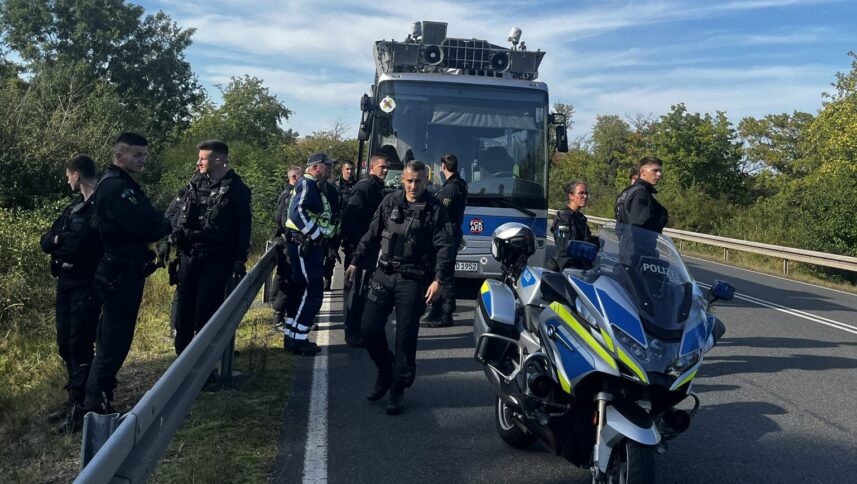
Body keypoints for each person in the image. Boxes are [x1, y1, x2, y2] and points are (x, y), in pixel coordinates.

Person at [344, 160, 456, 415]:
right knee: (368, 329)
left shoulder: (435, 209)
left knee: (405, 338)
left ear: (426, 181)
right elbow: (373, 232)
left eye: (418, 181)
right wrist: (355, 261)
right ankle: (385, 371)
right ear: (402, 180)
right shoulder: (390, 201)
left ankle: (397, 388)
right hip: (384, 273)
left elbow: (445, 248)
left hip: (413, 279)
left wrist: (439, 279)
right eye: (409, 181)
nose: (413, 186)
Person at [81, 132, 171, 418]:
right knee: (113, 341)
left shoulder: (121, 185)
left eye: (144, 155)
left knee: (114, 338)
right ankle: (94, 406)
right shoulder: (117, 188)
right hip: (119, 271)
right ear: (119, 156)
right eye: (136, 155)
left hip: (121, 270)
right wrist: (163, 225)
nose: (142, 160)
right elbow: (149, 226)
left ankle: (100, 396)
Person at [39, 154, 103, 431]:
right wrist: (58, 240)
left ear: (76, 174)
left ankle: (84, 405)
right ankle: (73, 400)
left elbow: (83, 246)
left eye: (68, 175)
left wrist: (60, 241)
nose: (67, 180)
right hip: (64, 281)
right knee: (65, 343)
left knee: (80, 343)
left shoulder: (100, 207)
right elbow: (45, 241)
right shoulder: (72, 209)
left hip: (86, 283)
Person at [171, 140, 252, 356]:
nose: (198, 163)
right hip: (189, 256)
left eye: (202, 158)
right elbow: (173, 214)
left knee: (205, 312)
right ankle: (181, 360)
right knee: (183, 312)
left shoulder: (237, 189)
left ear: (218, 160)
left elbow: (244, 226)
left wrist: (239, 259)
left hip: (217, 259)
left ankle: (204, 365)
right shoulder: (194, 184)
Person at [282, 152, 338, 355]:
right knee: (312, 290)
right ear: (316, 167)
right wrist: (316, 235)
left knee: (300, 289)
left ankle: (292, 335)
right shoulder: (307, 184)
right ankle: (299, 338)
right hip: (304, 245)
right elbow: (297, 212)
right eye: (327, 166)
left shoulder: (314, 185)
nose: (330, 169)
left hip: (305, 245)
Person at [340, 153, 389, 346]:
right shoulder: (365, 188)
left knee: (363, 290)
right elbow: (349, 217)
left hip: (368, 247)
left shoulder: (376, 187)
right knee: (358, 291)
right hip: (359, 247)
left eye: (386, 168)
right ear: (372, 168)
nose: (385, 170)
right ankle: (351, 332)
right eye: (382, 167)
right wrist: (353, 246)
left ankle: (358, 328)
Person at [423, 154, 467, 328]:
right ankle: (436, 309)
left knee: (445, 274)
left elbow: (440, 210)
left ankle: (446, 314)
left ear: (442, 167)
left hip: (447, 234)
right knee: (439, 272)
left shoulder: (450, 189)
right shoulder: (460, 184)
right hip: (452, 232)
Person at [271, 165, 303, 331]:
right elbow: (280, 218)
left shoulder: (292, 193)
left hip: (287, 242)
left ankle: (282, 312)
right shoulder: (289, 195)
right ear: (295, 178)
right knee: (286, 278)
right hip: (287, 243)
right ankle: (278, 315)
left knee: (285, 277)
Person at [549, 180, 599, 271]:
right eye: (581, 193)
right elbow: (563, 248)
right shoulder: (563, 219)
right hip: (568, 268)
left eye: (586, 193)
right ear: (571, 196)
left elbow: (586, 240)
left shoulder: (580, 218)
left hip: (582, 267)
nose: (585, 196)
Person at [615, 157, 668, 233]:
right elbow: (639, 227)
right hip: (638, 244)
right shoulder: (641, 194)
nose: (659, 174)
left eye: (660, 171)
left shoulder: (628, 191)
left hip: (625, 241)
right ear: (642, 171)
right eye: (655, 171)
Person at [320, 166, 342, 292]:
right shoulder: (312, 187)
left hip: (331, 230)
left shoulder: (331, 189)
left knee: (330, 256)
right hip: (317, 231)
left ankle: (327, 278)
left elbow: (336, 209)